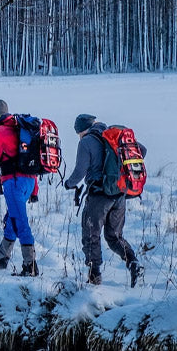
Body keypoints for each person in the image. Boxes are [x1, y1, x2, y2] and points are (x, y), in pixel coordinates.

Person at [64, 114, 146, 286]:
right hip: (119, 195)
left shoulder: (86, 142)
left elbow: (79, 171)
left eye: (78, 133)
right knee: (114, 237)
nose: (79, 136)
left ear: (82, 130)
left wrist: (69, 183)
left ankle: (94, 276)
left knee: (91, 235)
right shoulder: (114, 136)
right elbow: (142, 150)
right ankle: (133, 262)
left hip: (99, 196)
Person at [0, 99, 40, 276]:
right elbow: (29, 161)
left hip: (13, 183)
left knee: (20, 222)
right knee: (12, 219)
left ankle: (30, 266)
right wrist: (34, 191)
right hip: (28, 182)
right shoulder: (21, 130)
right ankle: (1, 258)